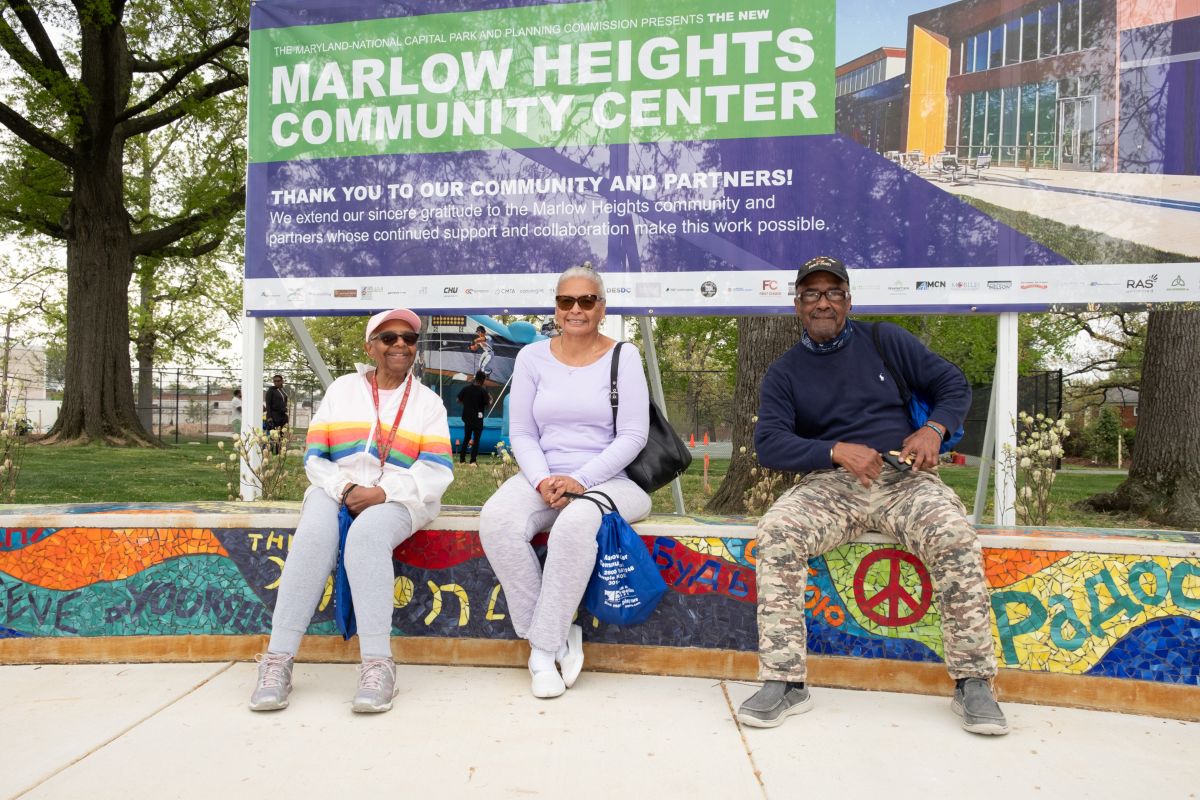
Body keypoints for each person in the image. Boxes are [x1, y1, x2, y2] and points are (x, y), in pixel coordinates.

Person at [737, 255, 1007, 736]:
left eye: (834, 293)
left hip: (905, 480)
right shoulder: (784, 372)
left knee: (953, 535)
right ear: (798, 305)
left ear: (848, 301)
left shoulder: (885, 339)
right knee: (777, 532)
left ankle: (973, 682)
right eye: (813, 294)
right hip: (831, 486)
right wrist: (835, 451)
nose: (824, 303)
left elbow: (952, 383)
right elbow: (770, 444)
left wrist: (932, 430)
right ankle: (785, 680)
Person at [249, 308, 453, 714]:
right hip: (335, 487)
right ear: (370, 346)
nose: (399, 345)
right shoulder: (343, 390)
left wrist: (380, 492)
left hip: (402, 496)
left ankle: (379, 664)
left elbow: (435, 471)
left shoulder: (429, 403)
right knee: (313, 536)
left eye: (408, 339)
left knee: (366, 535)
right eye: (388, 337)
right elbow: (315, 457)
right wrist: (345, 488)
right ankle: (277, 660)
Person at [479, 265, 651, 699]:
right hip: (541, 476)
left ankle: (540, 651)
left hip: (611, 480)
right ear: (556, 308)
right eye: (565, 301)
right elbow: (521, 433)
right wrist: (542, 481)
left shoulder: (623, 357)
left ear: (602, 307)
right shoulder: (531, 358)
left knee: (575, 526)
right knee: (497, 522)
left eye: (586, 301)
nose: (576, 309)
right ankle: (557, 634)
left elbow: (634, 435)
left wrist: (580, 480)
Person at [456, 371, 492, 467]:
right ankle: (472, 461)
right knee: (476, 440)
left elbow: (458, 400)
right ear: (482, 380)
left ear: (476, 378)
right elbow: (488, 404)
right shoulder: (483, 391)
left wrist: (467, 403)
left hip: (467, 418)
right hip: (478, 419)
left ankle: (462, 460)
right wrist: (490, 399)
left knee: (466, 439)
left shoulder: (466, 389)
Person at [264, 374, 289, 453]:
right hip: (274, 416)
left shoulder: (283, 390)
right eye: (275, 381)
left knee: (281, 435)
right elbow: (268, 405)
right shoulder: (271, 391)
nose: (276, 382)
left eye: (278, 381)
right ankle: (269, 452)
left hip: (283, 416)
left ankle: (279, 452)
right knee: (273, 435)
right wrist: (269, 417)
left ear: (282, 381)